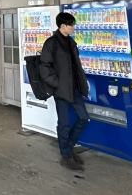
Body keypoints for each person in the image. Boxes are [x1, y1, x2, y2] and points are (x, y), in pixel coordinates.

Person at [39, 12, 89, 172]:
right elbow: (44, 67)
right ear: (63, 26)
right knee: (64, 124)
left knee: (83, 118)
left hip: (74, 89)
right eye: (71, 25)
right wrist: (58, 84)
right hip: (61, 90)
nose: (73, 27)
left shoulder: (71, 43)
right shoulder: (51, 43)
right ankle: (66, 156)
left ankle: (68, 146)